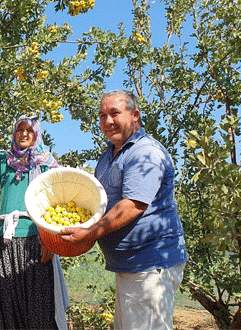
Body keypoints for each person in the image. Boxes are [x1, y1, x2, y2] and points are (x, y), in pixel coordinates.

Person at [60, 89, 188, 330]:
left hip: (150, 263)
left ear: (135, 115)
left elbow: (133, 205)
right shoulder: (110, 153)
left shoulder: (144, 152)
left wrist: (90, 233)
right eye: (102, 116)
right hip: (131, 264)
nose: (108, 121)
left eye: (115, 114)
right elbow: (98, 199)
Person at [0, 115, 69, 330]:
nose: (24, 134)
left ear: (36, 134)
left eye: (29, 130)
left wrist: (51, 241)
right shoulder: (4, 161)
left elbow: (57, 204)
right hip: (5, 240)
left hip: (37, 241)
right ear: (14, 134)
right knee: (9, 307)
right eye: (19, 130)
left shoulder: (48, 166)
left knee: (40, 311)